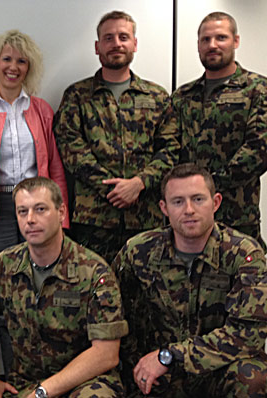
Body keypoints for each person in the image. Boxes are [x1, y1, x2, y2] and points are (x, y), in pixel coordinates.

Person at [115, 163, 267, 398]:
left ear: (216, 203)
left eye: (198, 199)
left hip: (216, 368)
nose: (189, 209)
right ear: (164, 208)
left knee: (252, 379)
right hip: (156, 369)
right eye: (178, 201)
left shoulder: (243, 254)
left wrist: (173, 355)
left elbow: (249, 331)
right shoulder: (138, 251)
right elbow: (115, 315)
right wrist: (137, 362)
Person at [0, 177, 127, 398]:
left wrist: (44, 392)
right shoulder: (5, 264)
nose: (30, 220)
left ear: (62, 212)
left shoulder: (93, 271)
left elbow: (106, 354)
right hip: (26, 383)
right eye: (22, 211)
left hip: (85, 382)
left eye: (40, 209)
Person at [53, 10, 179, 264]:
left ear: (135, 43)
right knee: (92, 293)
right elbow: (70, 149)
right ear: (98, 47)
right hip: (94, 219)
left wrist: (139, 183)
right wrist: (112, 188)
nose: (117, 44)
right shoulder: (77, 95)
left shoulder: (157, 97)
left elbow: (170, 149)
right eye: (108, 38)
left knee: (145, 295)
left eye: (123, 37)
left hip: (145, 217)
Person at [172, 11, 267, 251]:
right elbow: (169, 149)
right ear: (198, 45)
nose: (212, 45)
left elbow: (259, 152)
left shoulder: (260, 91)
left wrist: (205, 189)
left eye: (220, 38)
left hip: (236, 219)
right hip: (185, 221)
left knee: (242, 285)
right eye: (205, 40)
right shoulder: (182, 96)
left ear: (235, 41)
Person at [0, 29, 69, 266]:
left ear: (29, 67)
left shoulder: (42, 110)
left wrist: (62, 217)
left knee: (43, 270)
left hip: (40, 203)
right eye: (7, 59)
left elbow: (55, 169)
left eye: (22, 61)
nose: (14, 67)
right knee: (5, 275)